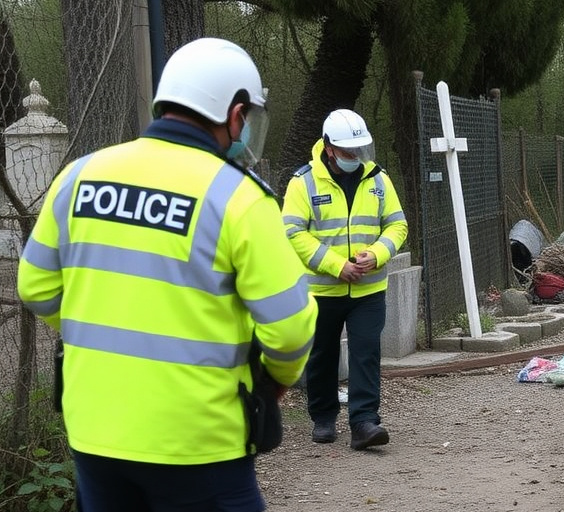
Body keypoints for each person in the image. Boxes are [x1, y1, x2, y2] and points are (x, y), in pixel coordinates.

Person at [17, 37, 317, 511]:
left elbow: (34, 287)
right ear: (235, 115)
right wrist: (275, 382)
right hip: (198, 441)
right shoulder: (239, 198)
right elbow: (291, 329)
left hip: (95, 431)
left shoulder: (79, 175)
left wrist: (100, 331)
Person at [282, 109, 408, 450]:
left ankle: (364, 422)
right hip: (322, 289)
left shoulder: (379, 180)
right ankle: (323, 417)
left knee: (366, 352)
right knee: (322, 354)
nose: (356, 157)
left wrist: (378, 254)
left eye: (360, 150)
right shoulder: (303, 183)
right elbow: (292, 231)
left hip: (369, 289)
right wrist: (337, 266)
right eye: (348, 150)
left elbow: (397, 225)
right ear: (328, 147)